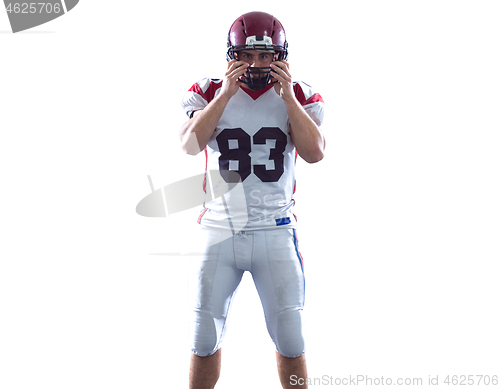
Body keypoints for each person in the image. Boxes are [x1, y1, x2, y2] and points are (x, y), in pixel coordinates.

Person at [179, 11, 325, 389]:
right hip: (219, 229)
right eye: (247, 55)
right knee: (203, 337)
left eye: (266, 56)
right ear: (232, 55)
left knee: (291, 338)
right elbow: (190, 145)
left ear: (281, 56)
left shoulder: (301, 94)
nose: (257, 64)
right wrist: (226, 96)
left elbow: (314, 153)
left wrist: (289, 100)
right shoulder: (209, 91)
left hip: (275, 231)